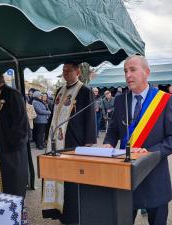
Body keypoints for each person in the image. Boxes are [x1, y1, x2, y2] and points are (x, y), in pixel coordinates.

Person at [103, 55, 172, 225]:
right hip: (125, 177)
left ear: (147, 72)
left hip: (154, 176)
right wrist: (108, 144)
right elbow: (112, 131)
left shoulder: (164, 100)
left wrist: (149, 152)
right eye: (125, 71)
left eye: (132, 70)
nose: (127, 75)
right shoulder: (120, 100)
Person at [43, 61, 96, 224]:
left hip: (73, 141)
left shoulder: (85, 91)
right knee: (57, 176)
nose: (65, 73)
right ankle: (58, 211)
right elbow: (53, 116)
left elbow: (90, 117)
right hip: (56, 143)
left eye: (68, 70)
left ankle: (73, 215)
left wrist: (89, 141)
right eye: (63, 70)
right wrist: (47, 135)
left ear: (78, 72)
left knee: (71, 182)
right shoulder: (60, 90)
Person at [0, 70, 28, 197]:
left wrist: (7, 147)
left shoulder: (12, 95)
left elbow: (21, 127)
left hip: (9, 153)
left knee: (11, 190)